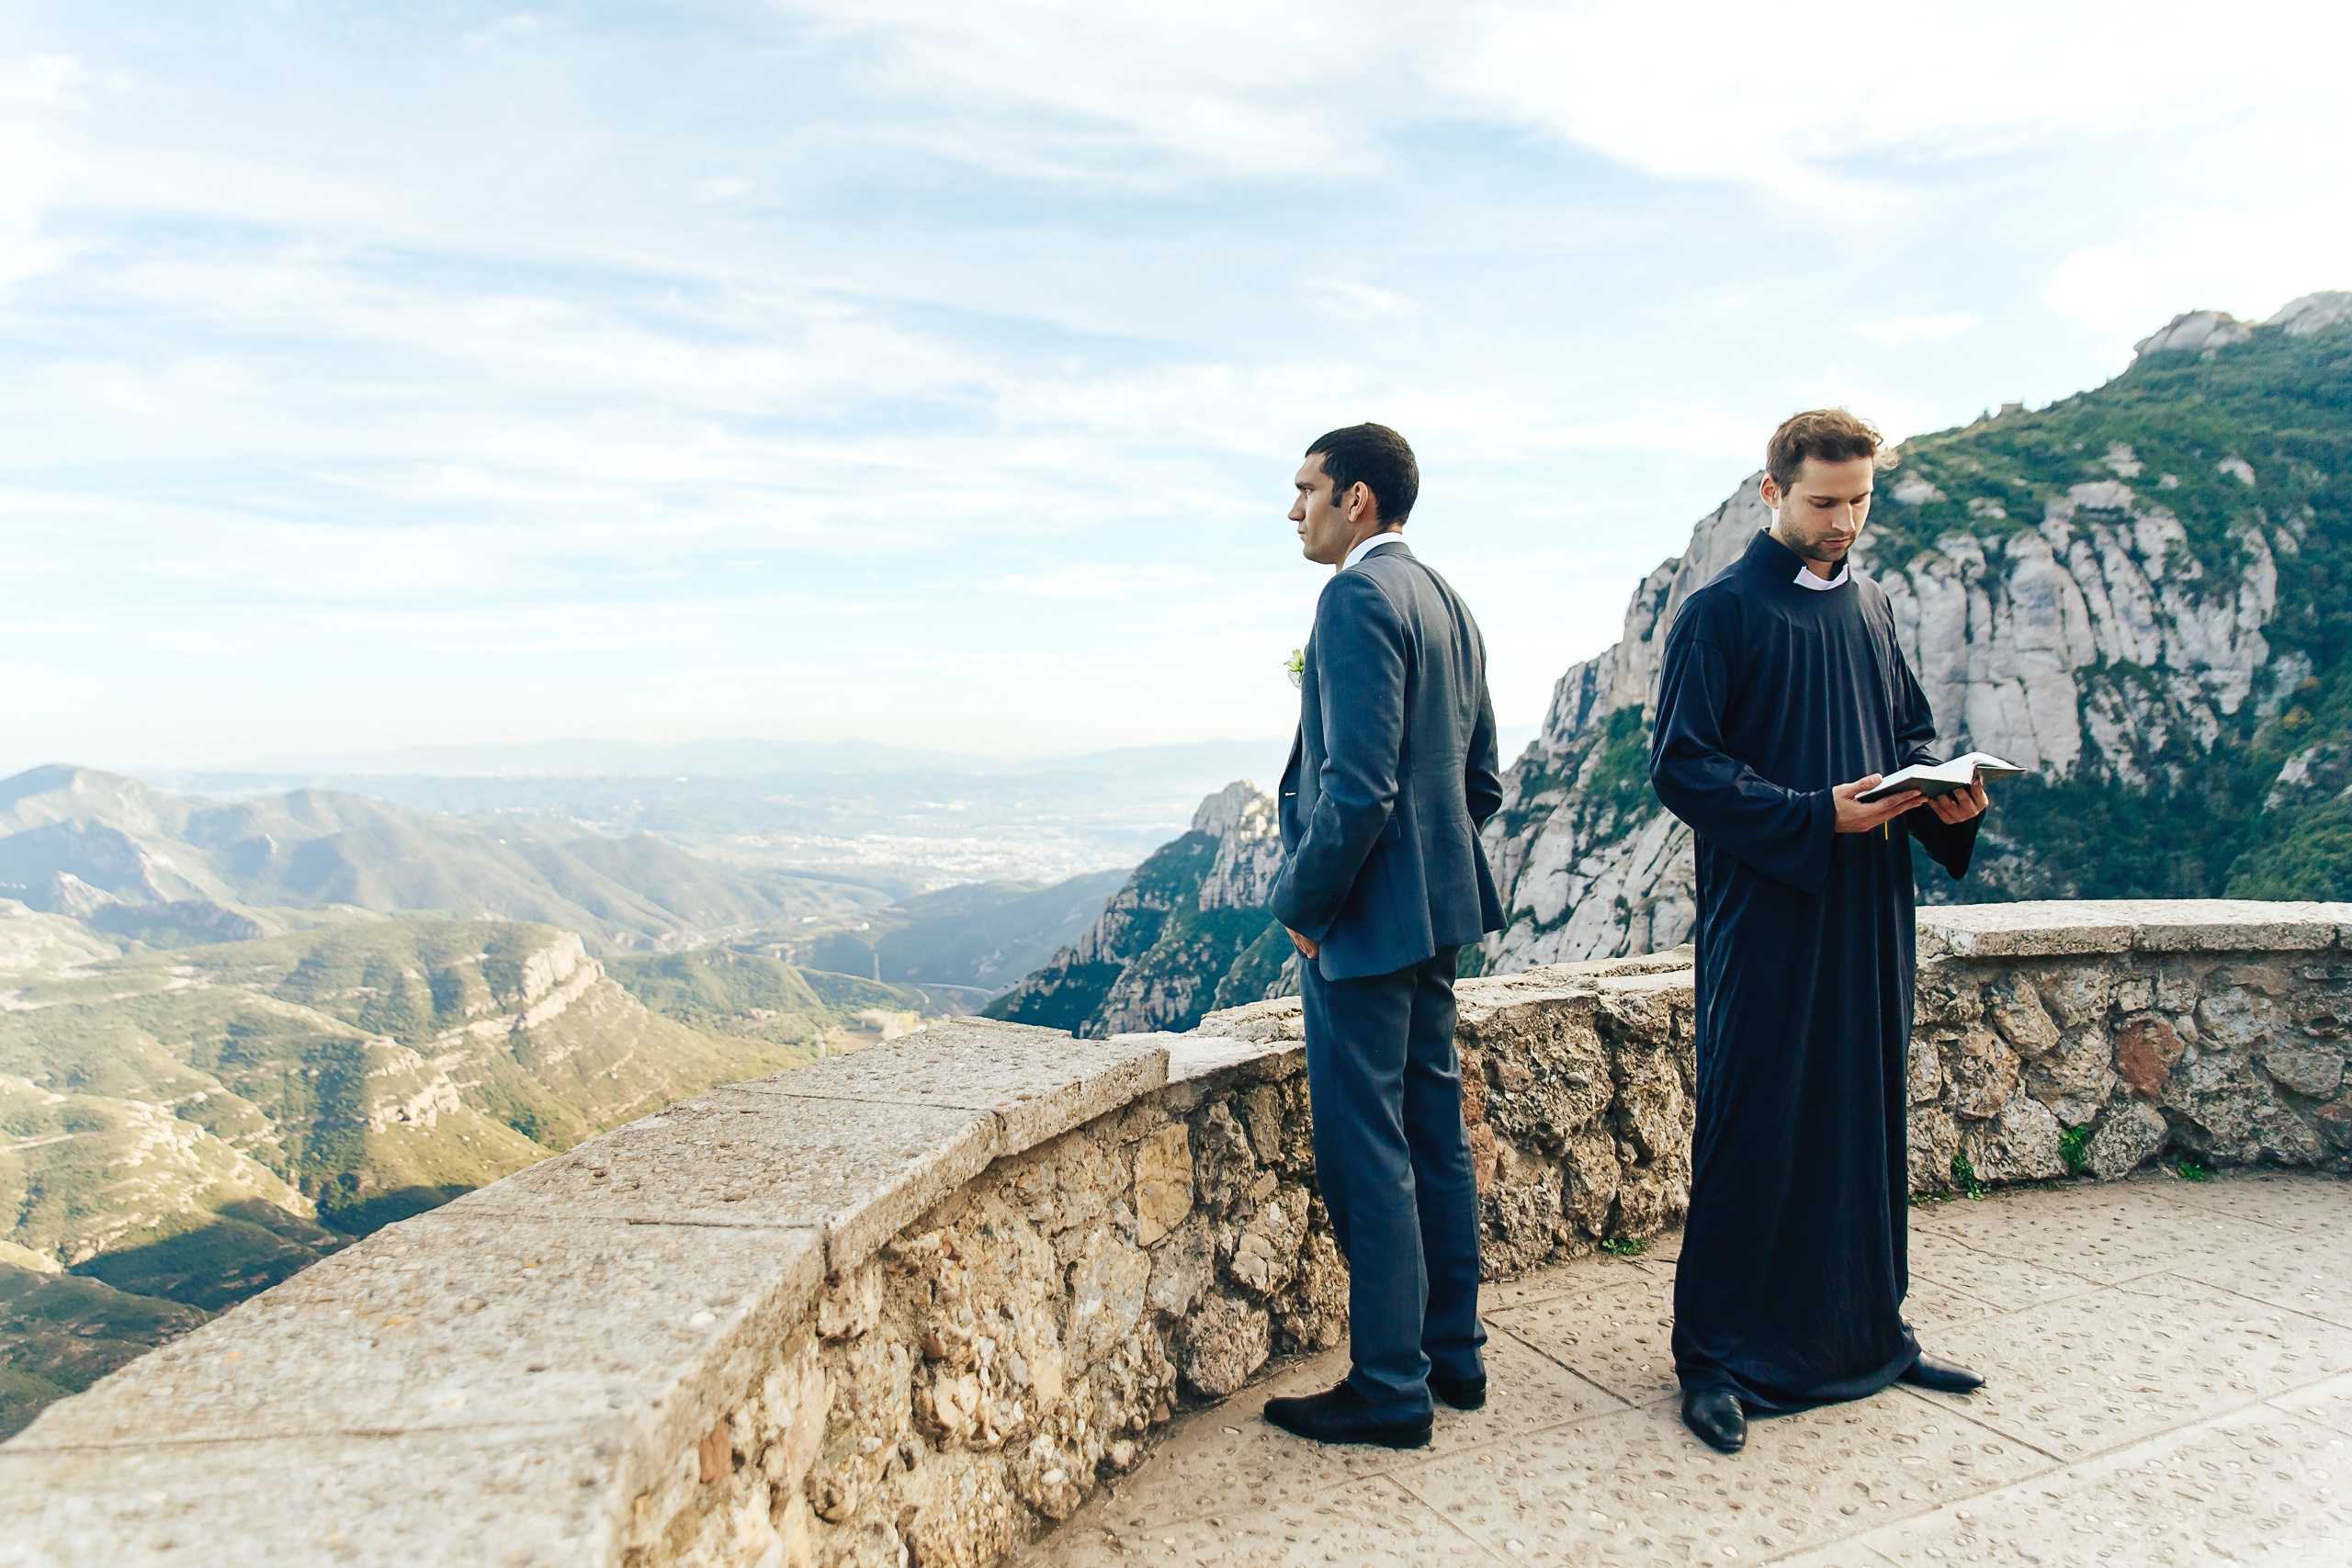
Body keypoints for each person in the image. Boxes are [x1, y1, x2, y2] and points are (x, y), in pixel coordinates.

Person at [1649, 408, 1991, 1456]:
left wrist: (1944, 795)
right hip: (1769, 915)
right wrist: (1811, 814)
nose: (1845, 523)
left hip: (1869, 910)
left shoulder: (1877, 608)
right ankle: (1714, 1360)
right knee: (1755, 1128)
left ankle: (1867, 1337)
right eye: (1824, 503)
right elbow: (1684, 767)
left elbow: (1907, 734)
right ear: (1772, 494)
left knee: (1861, 1117)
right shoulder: (1718, 618)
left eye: (1860, 503)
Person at [1260, 423, 1507, 1450]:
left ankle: (1389, 1385)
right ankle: (1454, 1355)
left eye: (1306, 488)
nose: (1294, 508)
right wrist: (1427, 872)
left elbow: (1353, 790)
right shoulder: (1447, 599)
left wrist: (1304, 910)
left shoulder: (1354, 599)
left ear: (1356, 499)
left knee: (1370, 1153)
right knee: (1433, 1138)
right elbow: (1479, 778)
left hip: (1360, 927)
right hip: (1437, 916)